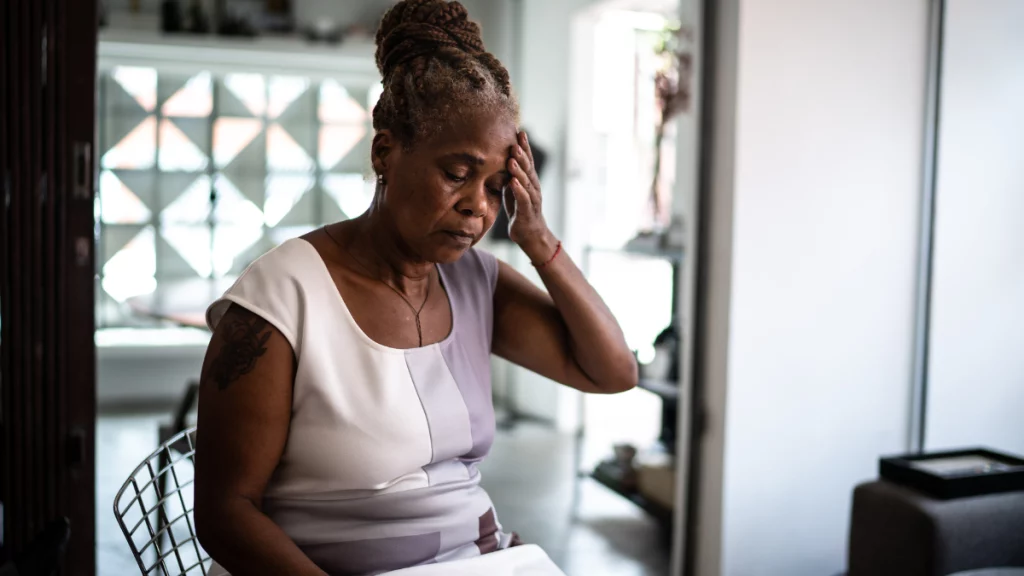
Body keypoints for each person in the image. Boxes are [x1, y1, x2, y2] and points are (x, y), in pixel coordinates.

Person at [193, 1, 637, 574]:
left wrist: (538, 239)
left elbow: (614, 372)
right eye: (457, 173)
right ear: (384, 153)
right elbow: (226, 513)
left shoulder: (476, 282)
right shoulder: (281, 299)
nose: (478, 207)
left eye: (496, 186)